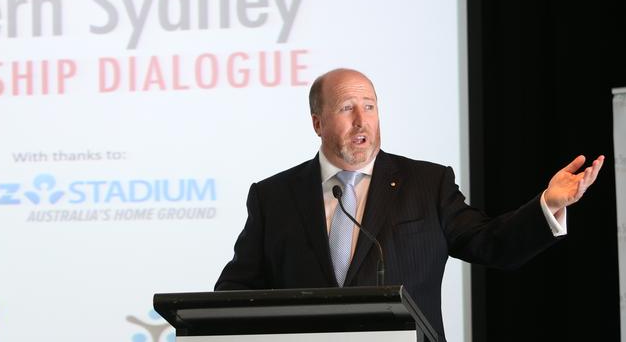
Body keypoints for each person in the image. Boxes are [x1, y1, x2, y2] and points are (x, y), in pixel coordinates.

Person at [214, 68, 604, 340]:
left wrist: (546, 206)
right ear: (317, 122)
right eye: (347, 108)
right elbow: (234, 290)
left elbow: (492, 243)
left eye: (369, 106)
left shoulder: (426, 184)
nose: (361, 121)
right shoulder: (274, 196)